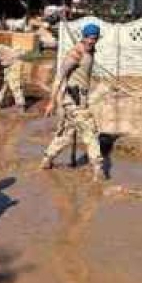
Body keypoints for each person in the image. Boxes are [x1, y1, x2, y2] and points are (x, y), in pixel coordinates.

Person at [38, 23, 105, 180]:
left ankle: (47, 159)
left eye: (94, 39)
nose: (91, 41)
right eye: (88, 38)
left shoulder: (91, 51)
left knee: (67, 134)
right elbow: (59, 78)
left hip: (81, 100)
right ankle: (98, 168)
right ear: (83, 36)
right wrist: (52, 102)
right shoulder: (75, 54)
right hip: (72, 100)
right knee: (90, 131)